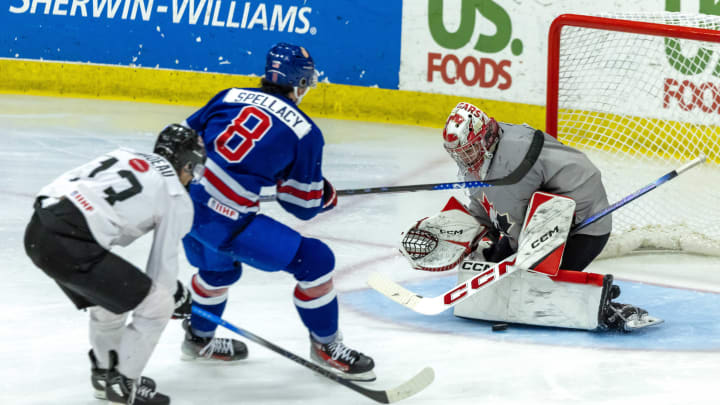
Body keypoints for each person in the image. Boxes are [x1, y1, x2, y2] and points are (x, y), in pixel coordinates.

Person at [177, 43, 375, 380]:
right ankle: (326, 345)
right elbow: (300, 205)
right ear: (300, 83)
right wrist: (322, 194)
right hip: (226, 224)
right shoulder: (305, 131)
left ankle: (199, 339)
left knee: (218, 274)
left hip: (181, 206)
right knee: (316, 261)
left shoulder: (229, 96)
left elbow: (179, 139)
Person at [404, 101, 660, 331]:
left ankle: (607, 308)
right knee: (494, 269)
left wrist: (489, 250)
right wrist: (469, 234)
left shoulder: (509, 165)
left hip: (582, 228)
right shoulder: (489, 148)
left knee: (528, 283)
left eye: (468, 151)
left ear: (484, 138)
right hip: (540, 220)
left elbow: (512, 223)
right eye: (458, 153)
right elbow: (485, 205)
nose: (463, 159)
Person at [24, 124, 206, 404]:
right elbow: (162, 270)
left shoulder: (125, 154)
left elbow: (69, 186)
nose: (191, 177)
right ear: (185, 162)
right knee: (158, 304)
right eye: (193, 169)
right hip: (72, 244)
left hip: (39, 231)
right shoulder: (175, 195)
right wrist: (173, 295)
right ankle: (124, 386)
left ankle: (104, 375)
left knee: (108, 298)